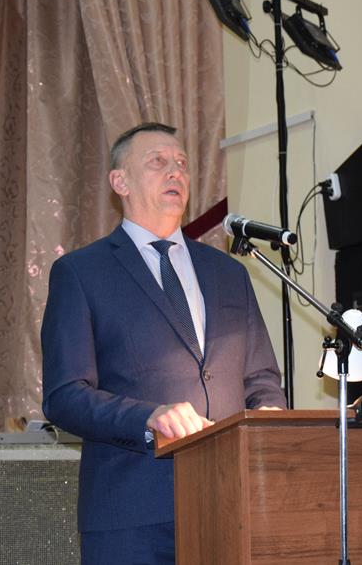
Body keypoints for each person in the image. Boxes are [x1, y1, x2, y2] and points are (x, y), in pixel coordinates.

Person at [41, 122, 287, 564]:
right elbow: (64, 396)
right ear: (120, 182)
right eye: (158, 162)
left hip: (231, 506)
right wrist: (148, 417)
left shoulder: (229, 273)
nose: (175, 171)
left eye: (182, 163)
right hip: (131, 516)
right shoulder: (81, 273)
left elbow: (262, 378)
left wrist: (268, 415)